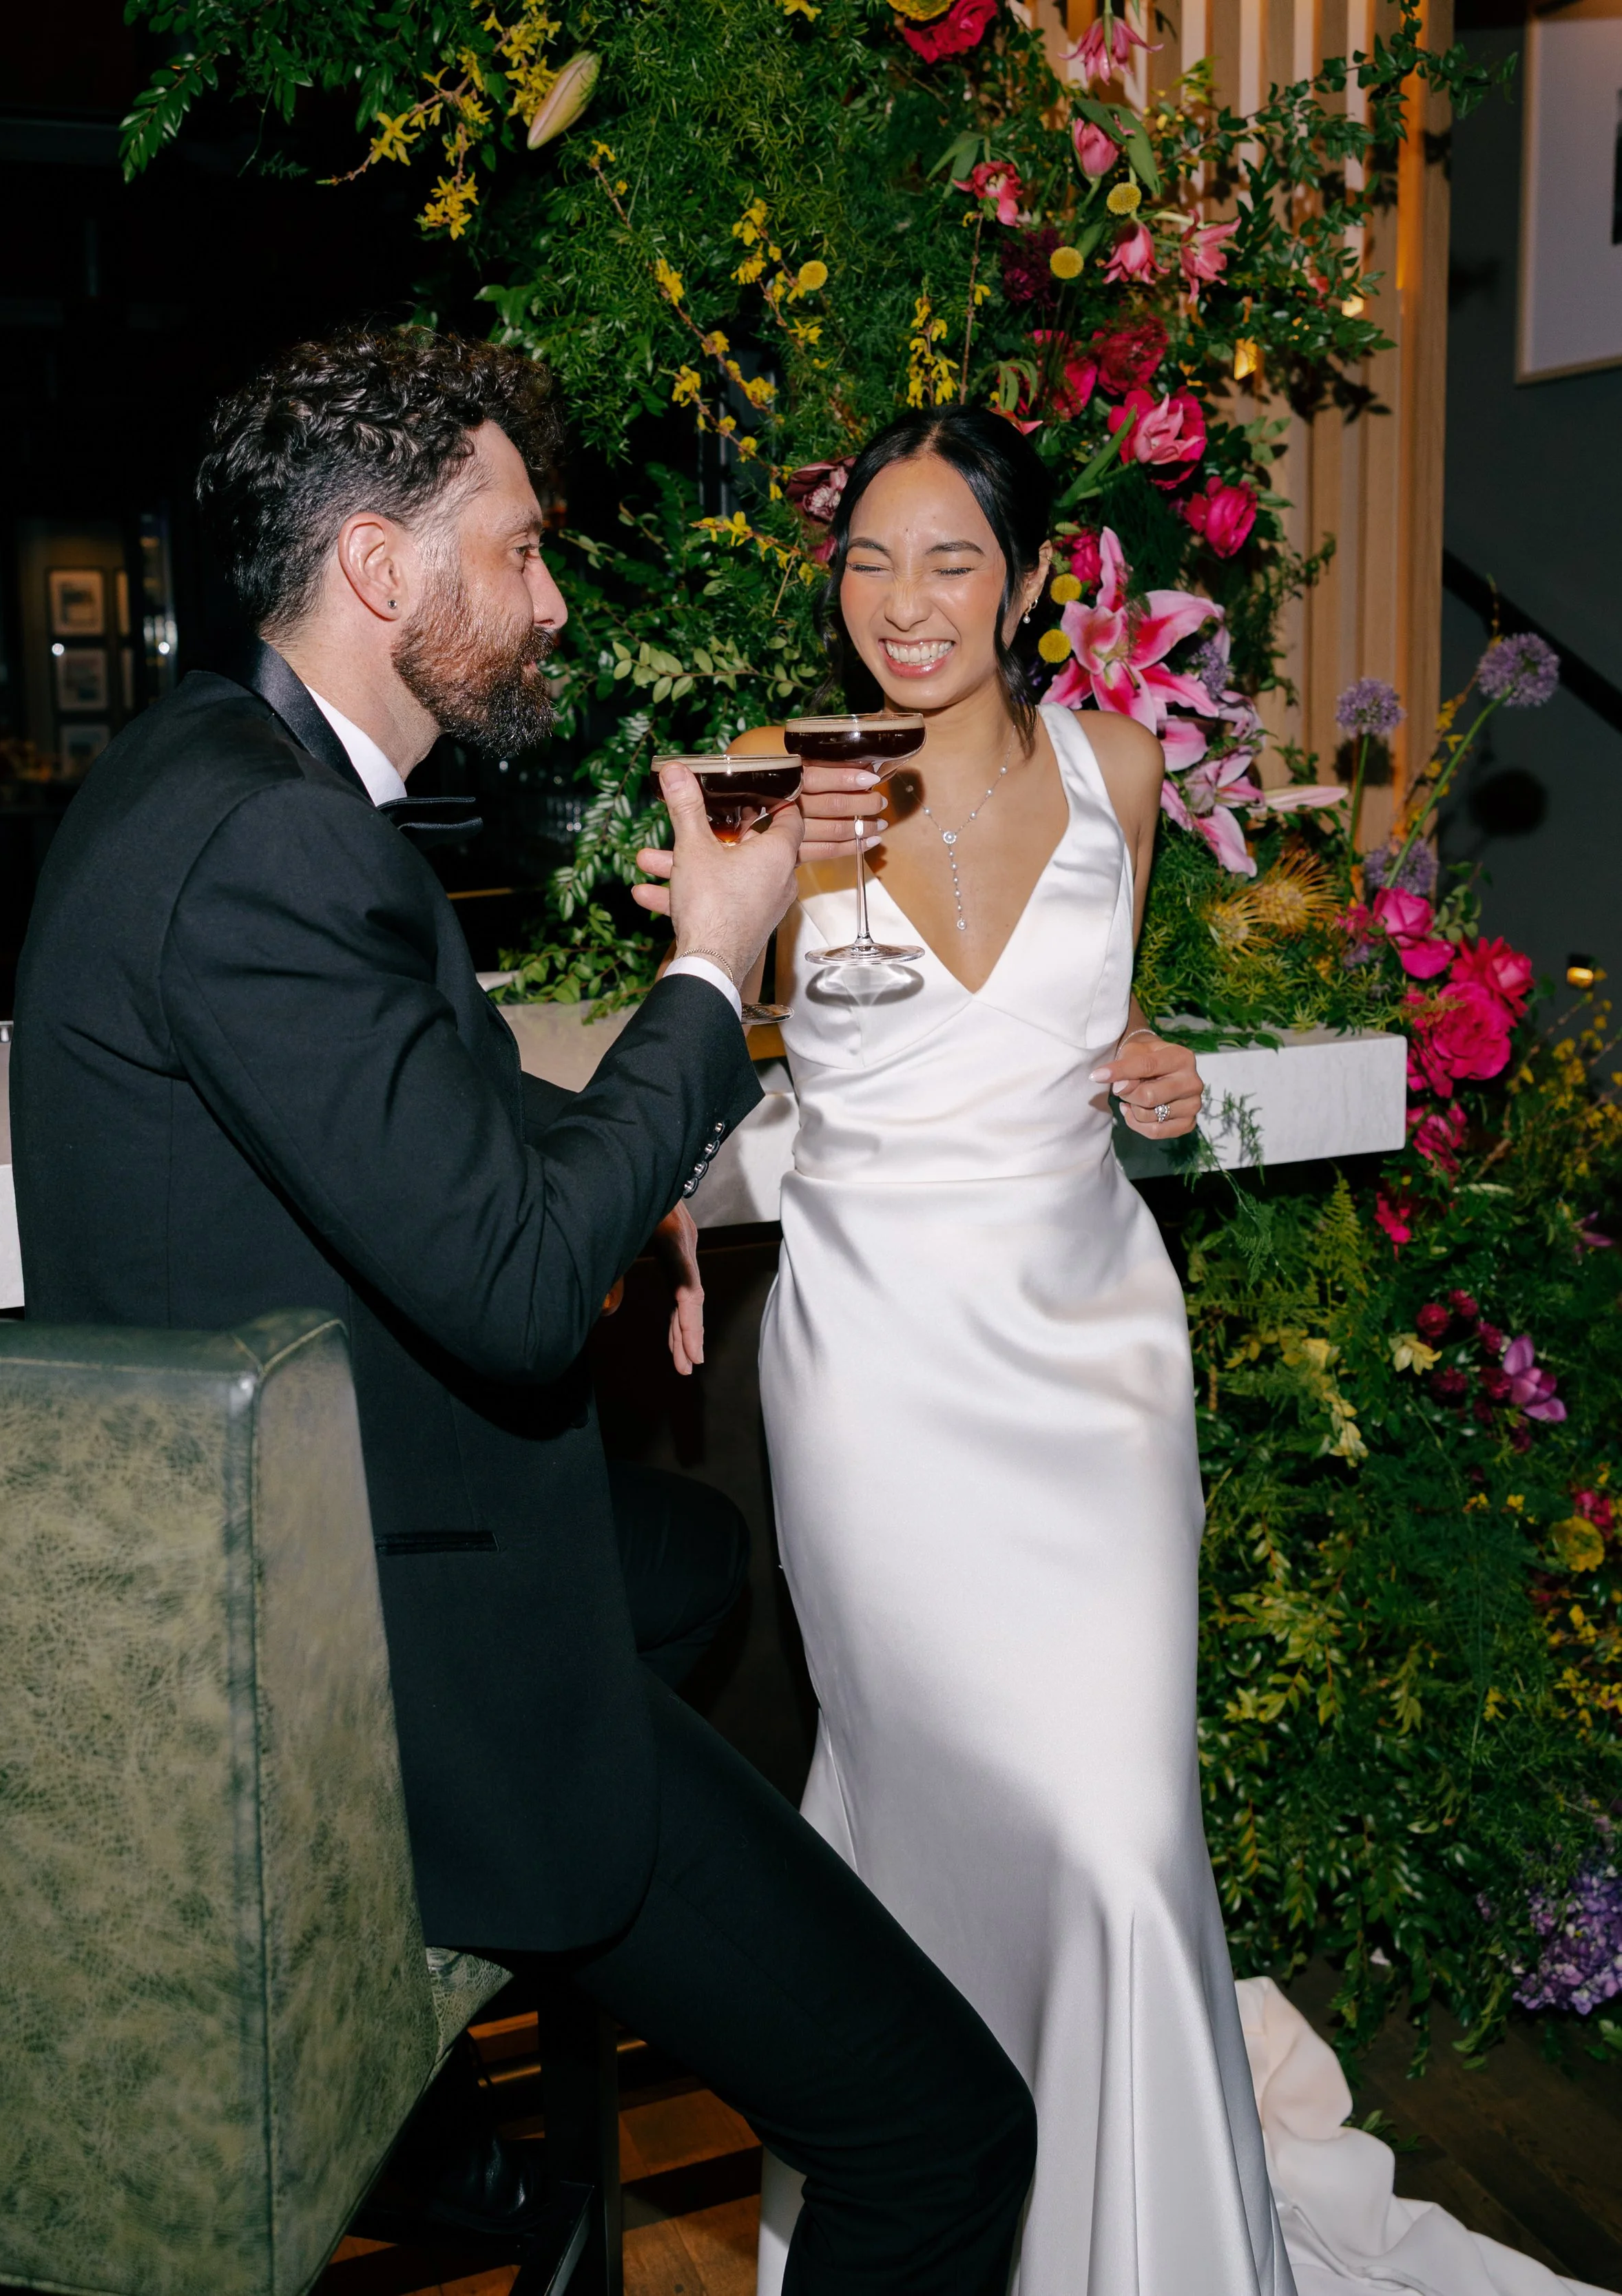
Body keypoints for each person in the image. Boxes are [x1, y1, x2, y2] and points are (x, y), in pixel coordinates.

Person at [10, 329, 1034, 2292]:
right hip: (378, 1675)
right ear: (386, 572)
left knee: (687, 1548)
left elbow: (408, 1119)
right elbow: (497, 1284)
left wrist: (609, 1173)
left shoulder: (210, 768)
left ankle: (470, 2125)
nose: (550, 595)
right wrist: (706, 969)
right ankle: (458, 2038)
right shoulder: (272, 836)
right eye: (519, 548)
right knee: (942, 2130)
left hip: (292, 1562)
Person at [750, 404, 1296, 2296]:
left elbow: (1106, 1031)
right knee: (929, 1810)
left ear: (1033, 580)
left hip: (1089, 1358)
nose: (903, 605)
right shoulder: (774, 781)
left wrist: (1154, 1070)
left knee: (1121, 1823)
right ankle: (935, 2222)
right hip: (877, 1368)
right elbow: (687, 1027)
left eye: (951, 559)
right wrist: (653, 1198)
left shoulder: (1122, 767)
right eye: (870, 559)